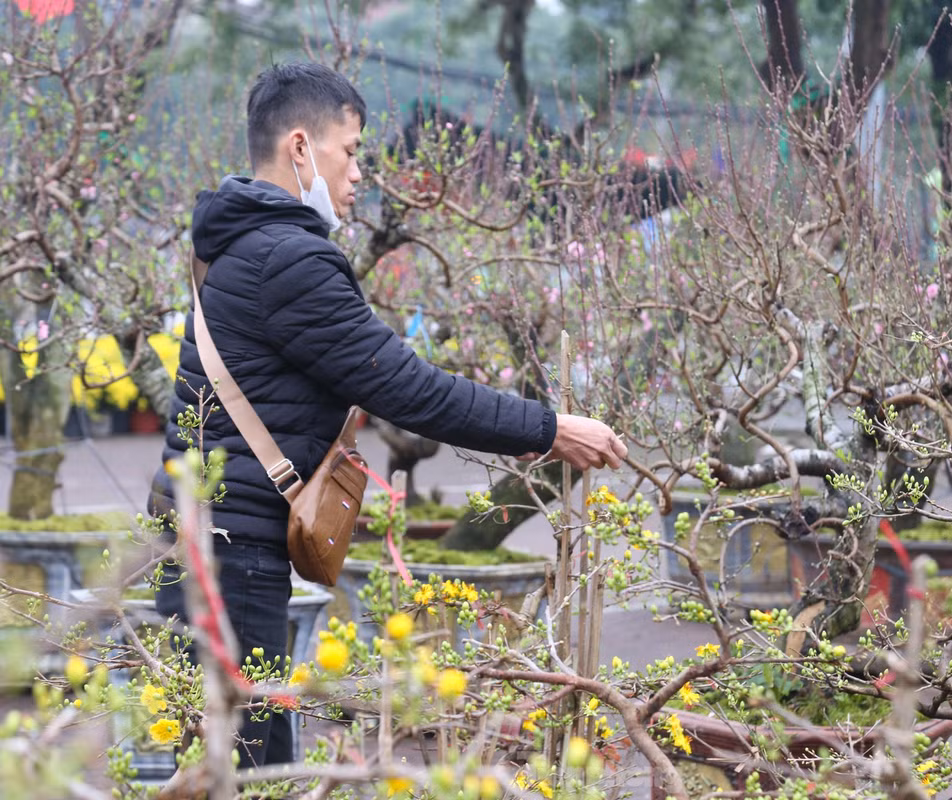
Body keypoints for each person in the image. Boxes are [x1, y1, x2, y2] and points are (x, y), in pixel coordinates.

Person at [147, 62, 626, 768]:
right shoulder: (287, 259)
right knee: (253, 773)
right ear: (302, 148)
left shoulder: (236, 242)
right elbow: (409, 390)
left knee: (239, 760)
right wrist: (550, 429)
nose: (363, 171)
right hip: (232, 557)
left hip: (211, 543)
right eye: (354, 149)